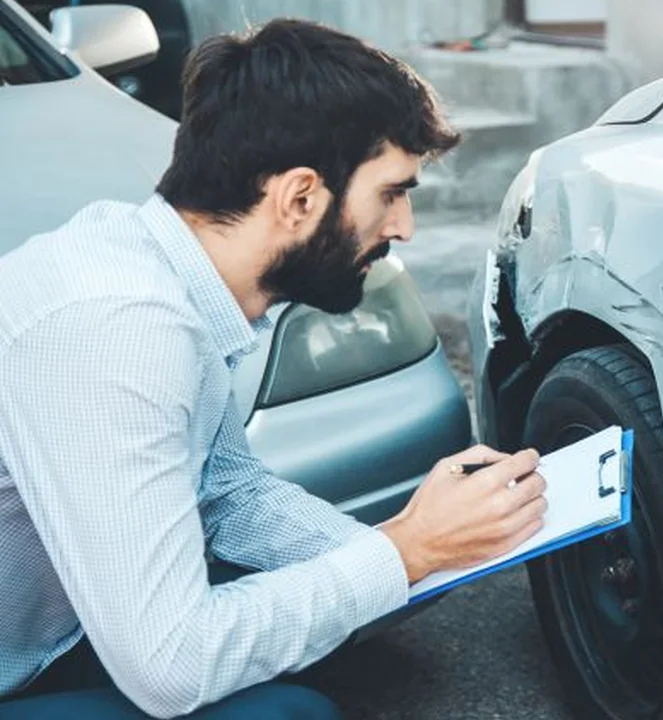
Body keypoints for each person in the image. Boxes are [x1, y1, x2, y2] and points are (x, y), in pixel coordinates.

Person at [0, 18, 548, 719]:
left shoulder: (167, 271)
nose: (404, 226)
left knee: (318, 626)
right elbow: (173, 667)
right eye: (392, 192)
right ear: (298, 198)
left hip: (46, 640)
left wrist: (415, 545)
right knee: (288, 712)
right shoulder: (122, 330)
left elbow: (226, 491)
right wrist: (401, 554)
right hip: (26, 666)